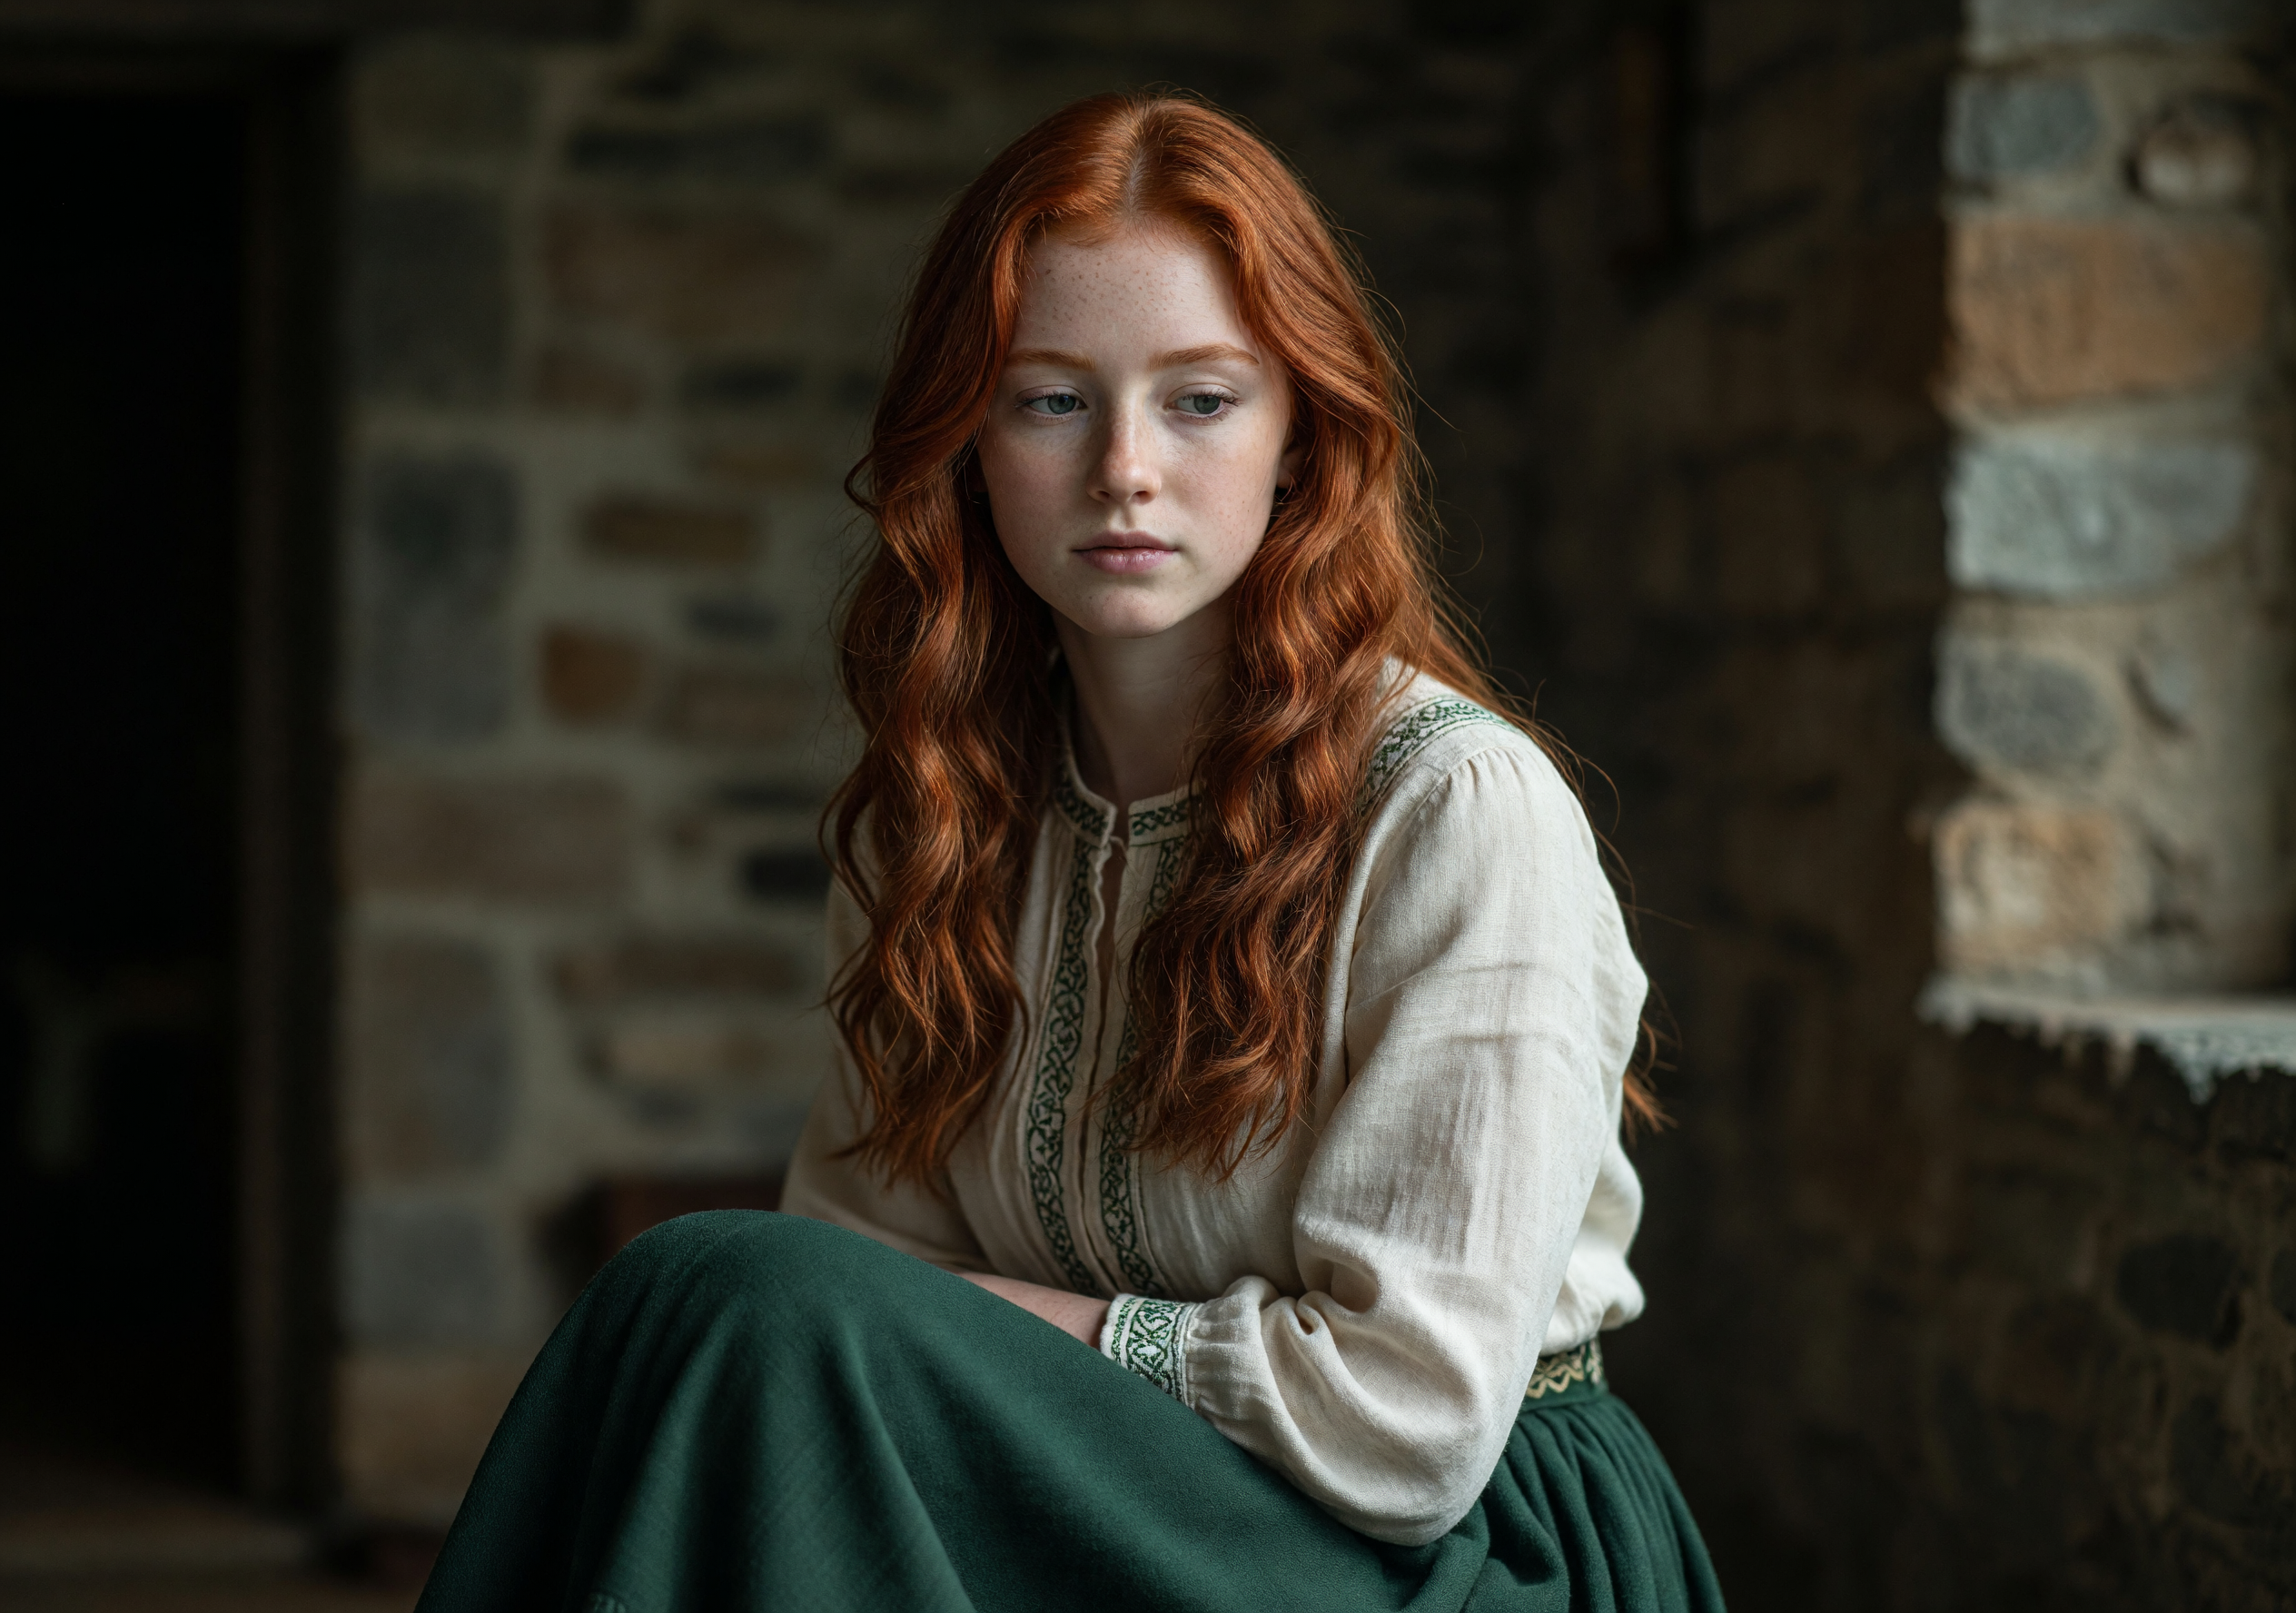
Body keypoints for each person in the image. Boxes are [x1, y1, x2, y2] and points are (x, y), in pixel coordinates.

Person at [414, 92, 1724, 1613]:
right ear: (967, 442)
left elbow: (1408, 1430)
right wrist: (985, 1337)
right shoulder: (942, 810)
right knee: (706, 1306)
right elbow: (856, 1275)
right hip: (1102, 1490)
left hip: (1450, 1547)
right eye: (1051, 400)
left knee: (735, 1304)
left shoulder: (1456, 812)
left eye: (1202, 400)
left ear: (1302, 435)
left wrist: (1018, 1324)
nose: (1124, 469)